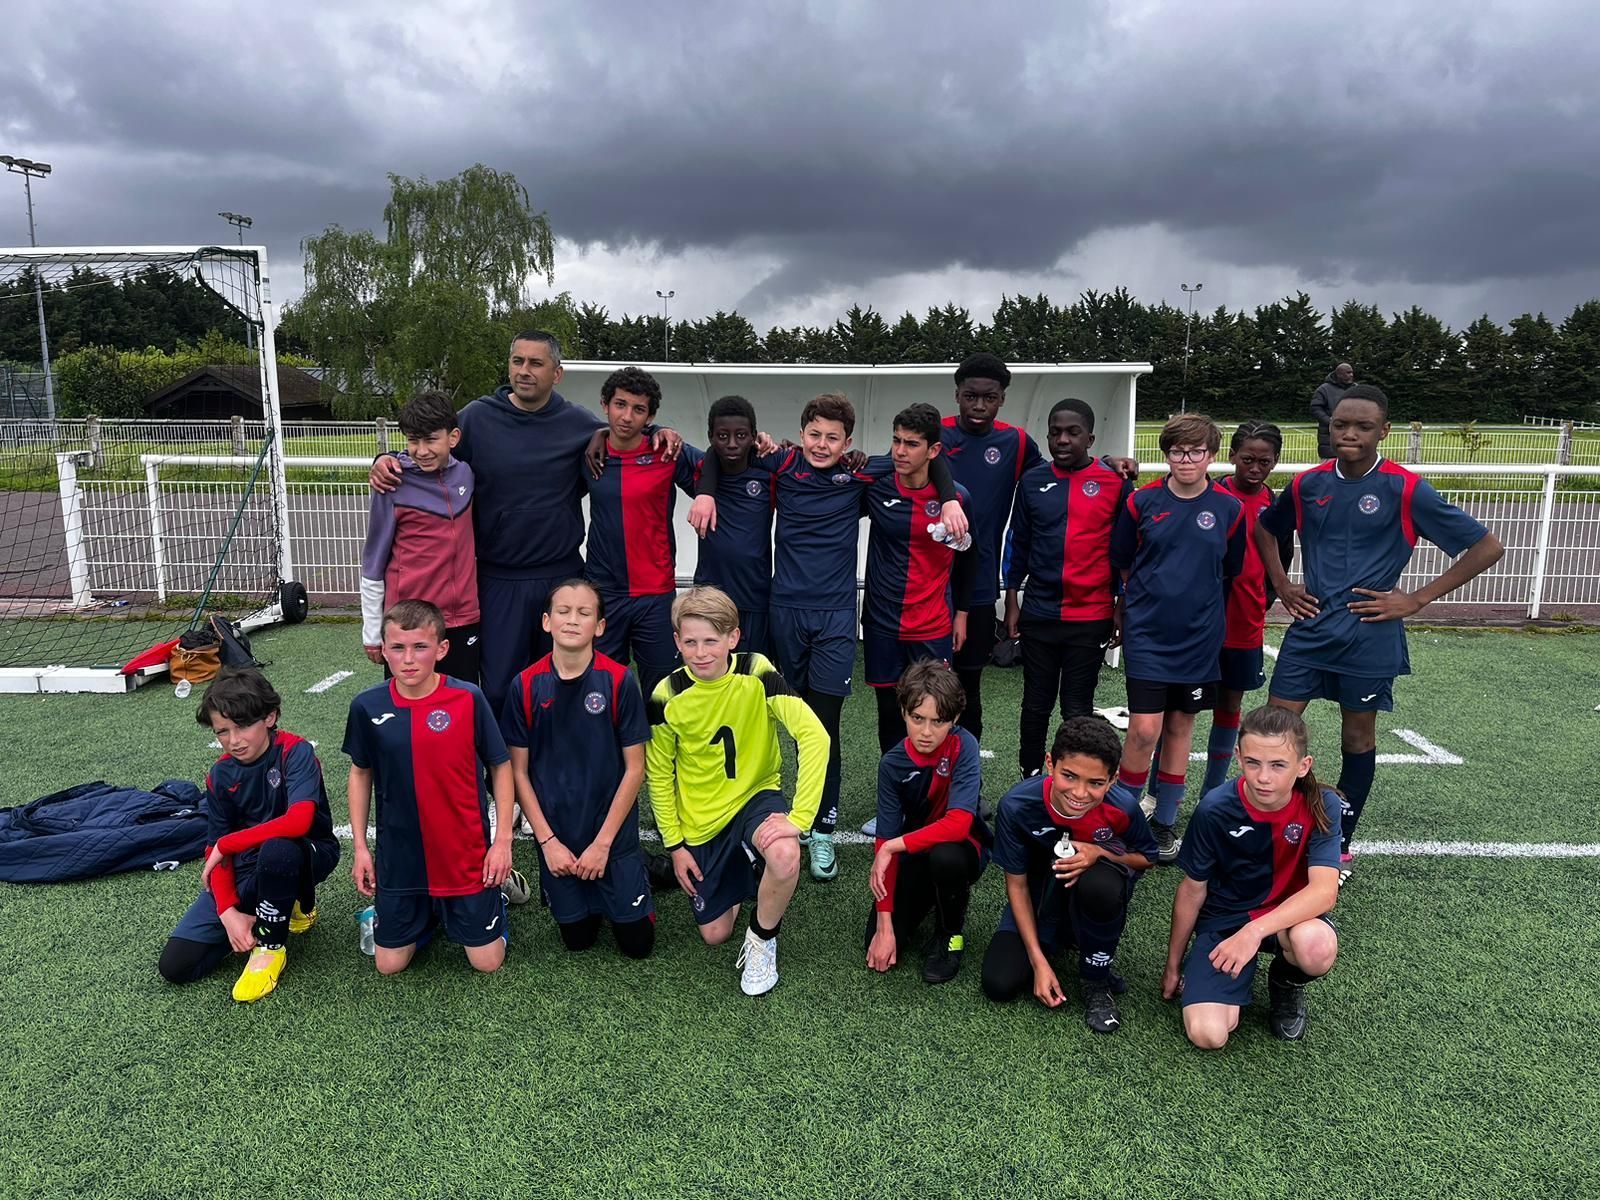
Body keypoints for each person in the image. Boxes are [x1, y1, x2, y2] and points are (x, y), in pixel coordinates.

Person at [689, 394, 967, 882]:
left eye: (833, 438)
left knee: (823, 727)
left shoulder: (861, 473)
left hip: (836, 618)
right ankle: (758, 818)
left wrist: (947, 499)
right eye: (814, 434)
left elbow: (925, 459)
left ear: (848, 442)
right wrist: (707, 491)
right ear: (801, 435)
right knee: (779, 722)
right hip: (784, 613)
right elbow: (719, 451)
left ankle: (821, 829)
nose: (822, 445)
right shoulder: (779, 463)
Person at [1255, 385, 1503, 884]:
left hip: (1369, 635)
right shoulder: (1307, 484)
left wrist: (1417, 599)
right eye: (1340, 424)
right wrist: (1281, 583)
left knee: (1356, 736)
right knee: (1273, 733)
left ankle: (1338, 846)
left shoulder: (1406, 489)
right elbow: (1265, 528)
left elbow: (1487, 546)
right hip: (1310, 629)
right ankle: (1272, 833)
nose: (1348, 433)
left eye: (1362, 426)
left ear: (1383, 431)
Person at [367, 331, 680, 714]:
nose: (524, 371)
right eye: (518, 361)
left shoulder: (579, 424)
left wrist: (658, 431)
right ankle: (504, 756)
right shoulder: (477, 418)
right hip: (499, 579)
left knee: (566, 684)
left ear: (557, 373)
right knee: (500, 688)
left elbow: (624, 431)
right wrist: (386, 458)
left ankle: (560, 753)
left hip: (562, 576)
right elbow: (431, 443)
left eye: (536, 363)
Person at [645, 586, 829, 996]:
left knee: (785, 855)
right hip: (702, 819)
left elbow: (814, 736)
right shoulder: (666, 695)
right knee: (715, 934)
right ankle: (746, 862)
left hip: (755, 797)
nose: (700, 652)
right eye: (690, 642)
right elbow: (658, 776)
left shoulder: (756, 671)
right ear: (676, 641)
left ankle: (762, 938)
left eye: (711, 640)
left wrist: (799, 819)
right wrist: (675, 846)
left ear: (733, 637)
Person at [344, 600, 517, 975]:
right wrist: (360, 848)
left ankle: (492, 902)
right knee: (389, 965)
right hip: (400, 855)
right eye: (398, 647)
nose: (408, 659)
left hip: (464, 853)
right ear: (383, 650)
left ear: (442, 649)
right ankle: (427, 914)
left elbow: (500, 765)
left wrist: (502, 841)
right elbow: (360, 774)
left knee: (487, 962)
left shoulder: (467, 698)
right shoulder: (367, 707)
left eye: (420, 647)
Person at [1108, 413, 1246, 863]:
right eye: (1177, 452)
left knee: (1180, 727)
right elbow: (1123, 561)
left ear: (1211, 456)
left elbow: (1229, 570)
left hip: (1199, 639)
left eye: (1196, 452)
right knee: (1144, 730)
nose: (1186, 460)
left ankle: (1164, 823)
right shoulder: (1141, 502)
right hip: (1148, 634)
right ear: (1166, 455)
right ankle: (1124, 819)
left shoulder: (1230, 509)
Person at [1162, 705, 1341, 1047]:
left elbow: (1324, 893)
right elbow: (1192, 890)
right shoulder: (1214, 809)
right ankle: (1229, 980)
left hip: (1288, 918)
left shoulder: (1323, 804)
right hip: (1227, 919)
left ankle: (1285, 983)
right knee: (1208, 1034)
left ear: (1303, 766)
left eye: (1278, 765)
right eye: (1253, 762)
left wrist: (1254, 932)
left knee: (1316, 947)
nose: (1263, 777)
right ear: (1238, 757)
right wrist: (1173, 965)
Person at [159, 670, 339, 1003]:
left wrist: (227, 844)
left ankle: (271, 947)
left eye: (242, 726)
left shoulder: (295, 752)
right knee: (176, 965)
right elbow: (215, 847)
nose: (234, 740)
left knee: (278, 851)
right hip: (248, 865)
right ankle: (275, 906)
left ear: (270, 717)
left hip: (309, 851)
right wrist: (228, 912)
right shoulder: (220, 775)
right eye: (222, 731)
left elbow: (299, 822)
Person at [501, 579, 654, 959]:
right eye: (563, 611)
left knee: (638, 946)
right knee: (578, 940)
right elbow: (518, 773)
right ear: (546, 622)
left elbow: (635, 769)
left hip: (610, 835)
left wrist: (602, 845)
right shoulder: (525, 685)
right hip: (560, 839)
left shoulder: (619, 680)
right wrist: (548, 843)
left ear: (599, 626)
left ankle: (646, 870)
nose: (572, 619)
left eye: (584, 613)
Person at [981, 715, 1156, 1033]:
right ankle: (1057, 939)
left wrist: (1100, 853)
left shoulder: (1123, 807)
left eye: (1095, 783)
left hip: (1092, 891)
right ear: (1050, 763)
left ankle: (1096, 980)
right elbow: (1017, 886)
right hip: (1038, 900)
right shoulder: (1016, 805)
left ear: (1112, 780)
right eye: (1070, 776)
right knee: (999, 983)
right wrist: (1037, 961)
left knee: (1101, 887)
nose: (1080, 792)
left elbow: (1147, 858)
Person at [1003, 398, 1133, 776]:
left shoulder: (1115, 483)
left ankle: (1074, 779)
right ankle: (1030, 777)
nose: (1062, 439)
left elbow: (1126, 551)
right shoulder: (1032, 481)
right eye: (1055, 432)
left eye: (1072, 432)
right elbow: (1018, 542)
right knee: (1035, 704)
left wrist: (1120, 605)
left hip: (1091, 615)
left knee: (1077, 707)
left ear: (1089, 438)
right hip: (1040, 611)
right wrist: (1012, 599)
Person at [936, 354, 1041, 742]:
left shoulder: (1015, 442)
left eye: (989, 398)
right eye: (970, 396)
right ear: (957, 395)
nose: (979, 405)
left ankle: (966, 772)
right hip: (928, 585)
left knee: (968, 688)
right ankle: (918, 772)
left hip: (978, 586)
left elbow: (1057, 474)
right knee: (922, 684)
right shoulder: (936, 433)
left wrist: (1107, 463)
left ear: (1002, 399)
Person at [861, 403, 976, 752]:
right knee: (889, 713)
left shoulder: (958, 498)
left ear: (933, 450)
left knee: (934, 712)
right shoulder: (876, 488)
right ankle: (894, 781)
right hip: (882, 623)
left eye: (911, 444)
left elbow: (970, 559)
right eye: (896, 440)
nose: (900, 451)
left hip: (932, 624)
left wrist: (962, 614)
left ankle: (933, 782)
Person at [867, 660, 989, 984]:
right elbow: (885, 838)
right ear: (903, 712)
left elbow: (959, 825)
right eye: (917, 718)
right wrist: (884, 925)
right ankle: (932, 896)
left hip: (963, 848)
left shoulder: (964, 745)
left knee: (946, 857)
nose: (926, 731)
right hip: (917, 849)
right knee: (877, 940)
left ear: (955, 718)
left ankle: (951, 934)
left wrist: (892, 847)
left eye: (938, 721)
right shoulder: (892, 764)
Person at [1192, 421, 1296, 795]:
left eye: (1264, 462)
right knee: (1180, 709)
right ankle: (1158, 794)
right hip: (1201, 622)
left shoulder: (1276, 505)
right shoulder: (1210, 495)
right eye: (1248, 459)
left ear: (1275, 462)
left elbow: (1281, 560)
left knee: (1229, 706)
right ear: (1233, 455)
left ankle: (1212, 793)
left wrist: (1264, 598)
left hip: (1245, 622)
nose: (1254, 468)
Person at [584, 366, 698, 697]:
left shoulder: (667, 451)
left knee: (662, 691)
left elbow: (718, 466)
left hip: (655, 593)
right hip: (604, 591)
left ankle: (658, 735)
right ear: (605, 404)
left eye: (638, 409)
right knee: (602, 687)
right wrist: (598, 434)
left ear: (650, 416)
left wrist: (705, 495)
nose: (627, 416)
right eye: (620, 405)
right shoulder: (588, 453)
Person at [359, 389, 481, 682]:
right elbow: (373, 562)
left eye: (430, 440)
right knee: (407, 704)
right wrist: (372, 632)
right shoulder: (392, 483)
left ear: (453, 438)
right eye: (414, 440)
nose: (422, 450)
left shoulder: (466, 474)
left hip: (463, 618)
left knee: (460, 700)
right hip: (408, 622)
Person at [681, 395, 776, 656]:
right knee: (708, 669)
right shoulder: (700, 470)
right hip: (709, 599)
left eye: (741, 436)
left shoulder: (768, 475)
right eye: (722, 436)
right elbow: (662, 438)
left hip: (755, 599)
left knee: (752, 673)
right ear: (710, 437)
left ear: (754, 436)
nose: (732, 443)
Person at [1310, 363, 1354, 460]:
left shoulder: (1356, 389)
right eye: (1348, 373)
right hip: (1329, 440)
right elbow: (1315, 408)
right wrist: (1330, 421)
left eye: (1351, 372)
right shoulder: (1323, 389)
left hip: (1352, 440)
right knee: (1329, 468)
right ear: (1339, 374)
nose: (1351, 375)